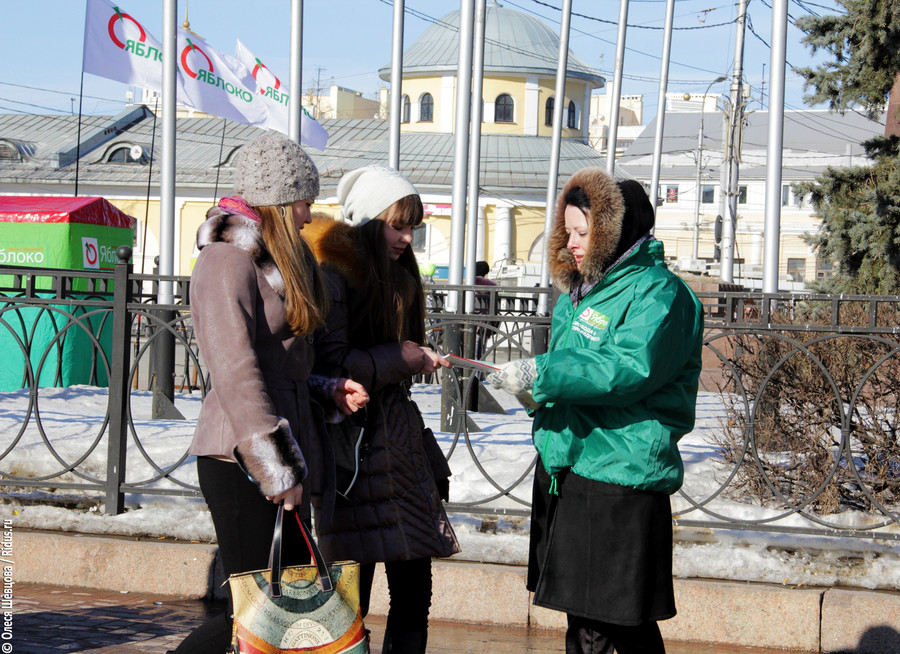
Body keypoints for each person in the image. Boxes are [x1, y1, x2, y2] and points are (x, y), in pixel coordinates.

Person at [488, 168, 704, 654]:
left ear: (614, 232)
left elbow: (628, 368)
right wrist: (530, 391)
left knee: (608, 627)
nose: (572, 243)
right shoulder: (583, 291)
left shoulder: (660, 293)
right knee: (592, 622)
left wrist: (542, 373)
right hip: (570, 465)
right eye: (567, 232)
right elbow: (576, 373)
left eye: (583, 233)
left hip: (619, 474)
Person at [173, 133, 368, 654]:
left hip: (280, 455)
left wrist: (327, 389)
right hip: (242, 456)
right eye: (303, 201)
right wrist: (275, 467)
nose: (309, 214)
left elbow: (282, 363)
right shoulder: (225, 261)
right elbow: (235, 371)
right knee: (258, 611)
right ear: (278, 202)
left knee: (282, 610)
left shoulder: (273, 259)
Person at [304, 165, 459, 654]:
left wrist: (411, 357)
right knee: (349, 602)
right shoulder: (334, 276)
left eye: (412, 226)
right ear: (370, 222)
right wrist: (403, 358)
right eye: (397, 226)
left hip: (399, 452)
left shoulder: (398, 276)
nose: (407, 238)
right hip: (355, 457)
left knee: (414, 593)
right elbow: (331, 366)